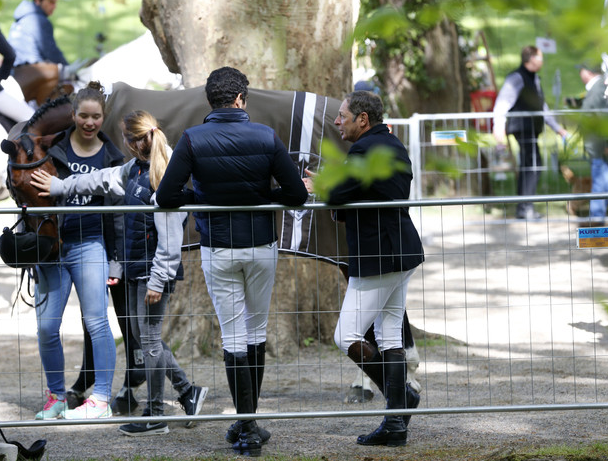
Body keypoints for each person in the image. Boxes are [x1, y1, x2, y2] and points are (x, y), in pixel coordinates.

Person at [155, 67, 308, 456]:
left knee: (234, 336)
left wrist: (205, 200)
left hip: (219, 248)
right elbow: (295, 194)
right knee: (255, 332)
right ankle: (248, 423)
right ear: (241, 98)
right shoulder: (265, 136)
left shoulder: (192, 138)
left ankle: (247, 425)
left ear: (211, 100)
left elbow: (168, 195)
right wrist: (262, 195)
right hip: (261, 246)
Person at [30, 109, 209, 435]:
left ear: (129, 140)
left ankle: (156, 415)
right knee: (146, 339)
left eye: (129, 138)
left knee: (149, 340)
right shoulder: (133, 168)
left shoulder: (164, 171)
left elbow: (171, 234)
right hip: (137, 268)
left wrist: (158, 279)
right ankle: (187, 391)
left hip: (154, 273)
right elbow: (99, 179)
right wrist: (61, 186)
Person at [303, 90, 423, 447]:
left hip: (380, 258)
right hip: (399, 253)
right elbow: (356, 190)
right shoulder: (390, 143)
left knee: (346, 336)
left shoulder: (364, 149)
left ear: (362, 120)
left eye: (342, 116)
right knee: (388, 336)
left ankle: (399, 398)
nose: (337, 122)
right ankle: (396, 423)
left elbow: (342, 193)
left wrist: (322, 186)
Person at [31, 81, 122, 420]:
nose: (89, 122)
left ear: (103, 117)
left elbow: (116, 216)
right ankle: (56, 397)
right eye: (83, 115)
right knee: (46, 326)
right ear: (72, 115)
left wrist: (114, 260)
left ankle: (100, 399)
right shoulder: (51, 150)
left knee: (97, 322)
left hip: (90, 245)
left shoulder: (112, 157)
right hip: (53, 249)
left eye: (96, 116)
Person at [493, 45, 568, 220]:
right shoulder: (517, 78)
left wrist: (556, 128)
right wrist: (498, 126)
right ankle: (525, 208)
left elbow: (541, 106)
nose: (542, 62)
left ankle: (524, 207)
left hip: (531, 129)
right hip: (522, 128)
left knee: (531, 165)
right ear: (531, 59)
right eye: (540, 58)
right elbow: (503, 102)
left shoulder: (533, 79)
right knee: (532, 165)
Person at [8, 0, 73, 106]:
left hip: (14, 73)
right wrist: (70, 69)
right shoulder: (39, 20)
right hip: (30, 75)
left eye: (55, 3)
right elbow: (51, 53)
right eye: (51, 2)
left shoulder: (21, 17)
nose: (54, 6)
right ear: (38, 0)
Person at [577, 64, 608, 226]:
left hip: (602, 147)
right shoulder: (601, 87)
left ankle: (596, 220)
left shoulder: (600, 88)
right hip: (601, 146)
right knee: (607, 180)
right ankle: (597, 219)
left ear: (586, 72)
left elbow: (606, 117)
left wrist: (607, 144)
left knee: (601, 184)